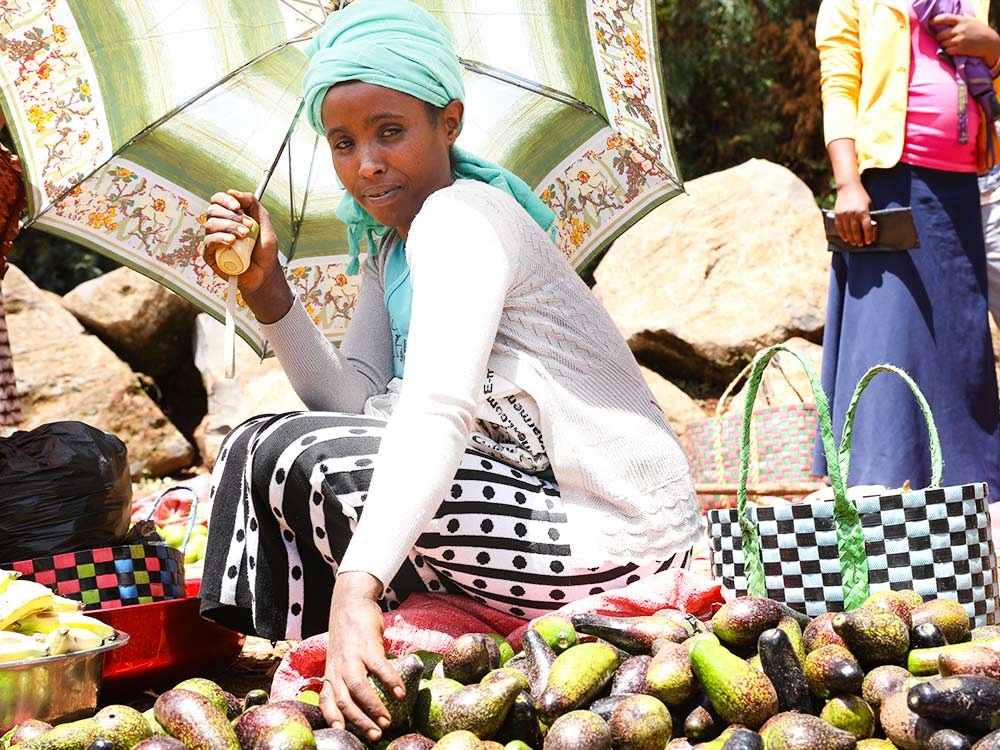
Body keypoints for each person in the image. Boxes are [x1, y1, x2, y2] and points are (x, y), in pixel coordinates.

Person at [197, 0, 701, 741]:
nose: (365, 163)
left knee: (292, 450)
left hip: (617, 534)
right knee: (266, 441)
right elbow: (349, 402)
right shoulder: (389, 247)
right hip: (519, 514)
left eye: (389, 132)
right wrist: (266, 288)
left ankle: (353, 628)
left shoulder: (463, 216)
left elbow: (436, 411)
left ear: (450, 123)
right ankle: (361, 663)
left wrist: (357, 586)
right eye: (341, 142)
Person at [814, 0, 1000, 494]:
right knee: (888, 334)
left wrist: (994, 52)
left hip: (963, 185)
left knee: (961, 343)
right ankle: (878, 482)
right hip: (887, 183)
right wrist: (848, 181)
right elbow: (838, 86)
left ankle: (968, 490)